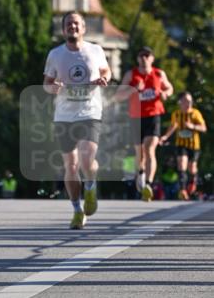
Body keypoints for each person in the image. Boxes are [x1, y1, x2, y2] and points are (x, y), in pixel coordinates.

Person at [43, 12, 111, 229]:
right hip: (63, 116)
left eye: (76, 23)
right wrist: (53, 87)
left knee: (87, 160)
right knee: (70, 166)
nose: (72, 26)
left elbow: (106, 70)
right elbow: (46, 82)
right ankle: (76, 210)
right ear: (64, 30)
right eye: (68, 24)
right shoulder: (55, 54)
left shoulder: (95, 50)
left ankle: (90, 186)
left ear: (83, 28)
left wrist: (105, 79)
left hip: (90, 112)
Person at [111, 47, 173, 201]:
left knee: (149, 148)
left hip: (154, 115)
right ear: (138, 59)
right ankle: (141, 173)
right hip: (136, 117)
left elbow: (170, 87)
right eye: (141, 55)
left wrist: (166, 93)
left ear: (152, 58)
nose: (144, 58)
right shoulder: (131, 75)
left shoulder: (159, 74)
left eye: (147, 55)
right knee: (140, 153)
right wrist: (133, 90)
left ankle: (149, 185)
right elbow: (118, 96)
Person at [159, 91, 207, 199]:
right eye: (186, 101)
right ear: (180, 102)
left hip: (194, 145)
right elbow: (173, 126)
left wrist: (192, 126)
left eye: (190, 101)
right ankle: (183, 190)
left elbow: (203, 128)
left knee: (192, 168)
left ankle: (193, 181)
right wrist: (165, 137)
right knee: (181, 165)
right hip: (181, 144)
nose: (188, 103)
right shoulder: (176, 114)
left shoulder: (195, 113)